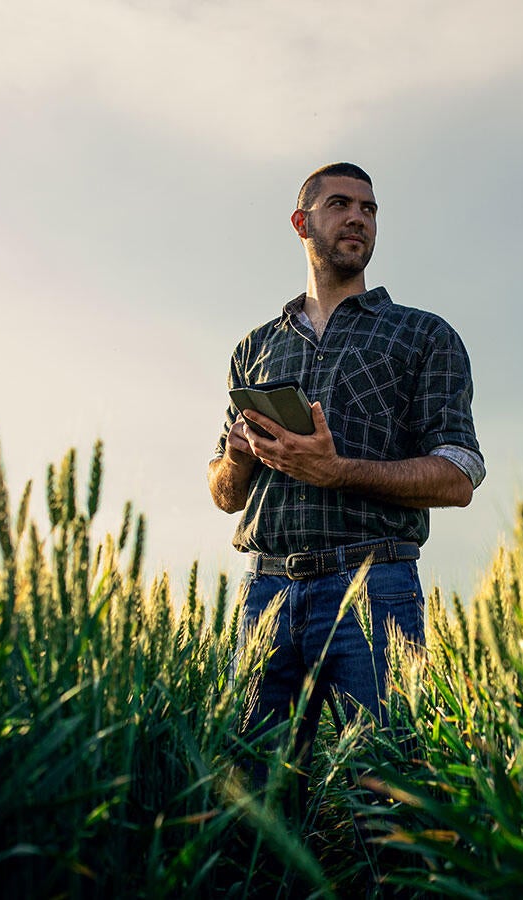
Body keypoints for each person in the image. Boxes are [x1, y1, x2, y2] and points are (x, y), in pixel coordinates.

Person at [207, 161, 484, 809]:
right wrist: (240, 456)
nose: (358, 217)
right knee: (254, 804)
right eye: (340, 204)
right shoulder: (255, 348)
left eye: (370, 208)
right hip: (266, 594)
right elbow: (224, 495)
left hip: (375, 587)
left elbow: (459, 472)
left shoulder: (422, 335)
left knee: (388, 801)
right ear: (303, 223)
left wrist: (340, 472)